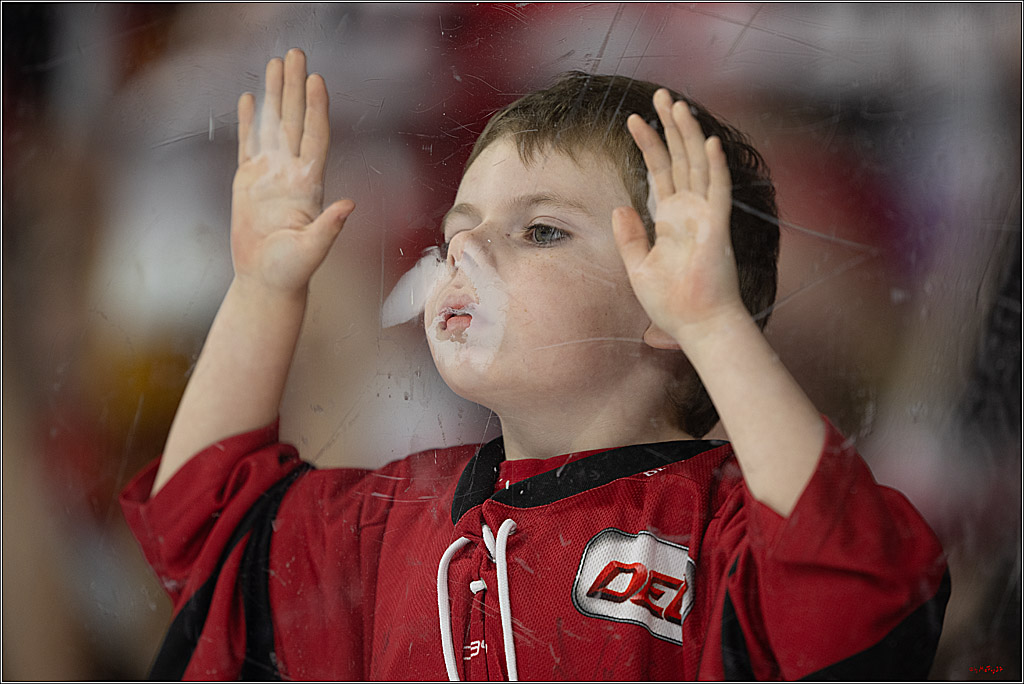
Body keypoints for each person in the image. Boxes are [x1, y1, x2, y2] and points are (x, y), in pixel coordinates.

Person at [121, 48, 949, 681]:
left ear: (666, 301)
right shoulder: (384, 523)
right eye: (458, 230)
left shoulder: (721, 533)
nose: (464, 253)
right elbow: (206, 522)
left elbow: (860, 584)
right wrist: (263, 288)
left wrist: (714, 324)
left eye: (541, 230)